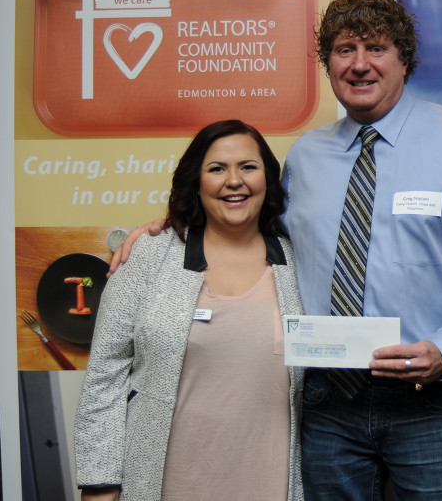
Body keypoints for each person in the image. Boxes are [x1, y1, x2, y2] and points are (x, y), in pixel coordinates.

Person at [110, 0, 442, 500]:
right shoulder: (305, 157)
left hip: (429, 400)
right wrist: (169, 230)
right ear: (328, 64)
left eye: (377, 48)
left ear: (404, 59)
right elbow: (247, 227)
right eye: (345, 50)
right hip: (326, 402)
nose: (360, 64)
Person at [75, 120, 304, 501]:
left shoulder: (300, 260)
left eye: (248, 166)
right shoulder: (148, 256)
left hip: (271, 483)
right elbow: (104, 378)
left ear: (269, 178)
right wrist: (100, 483)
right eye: (217, 169)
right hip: (167, 484)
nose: (234, 180)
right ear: (196, 183)